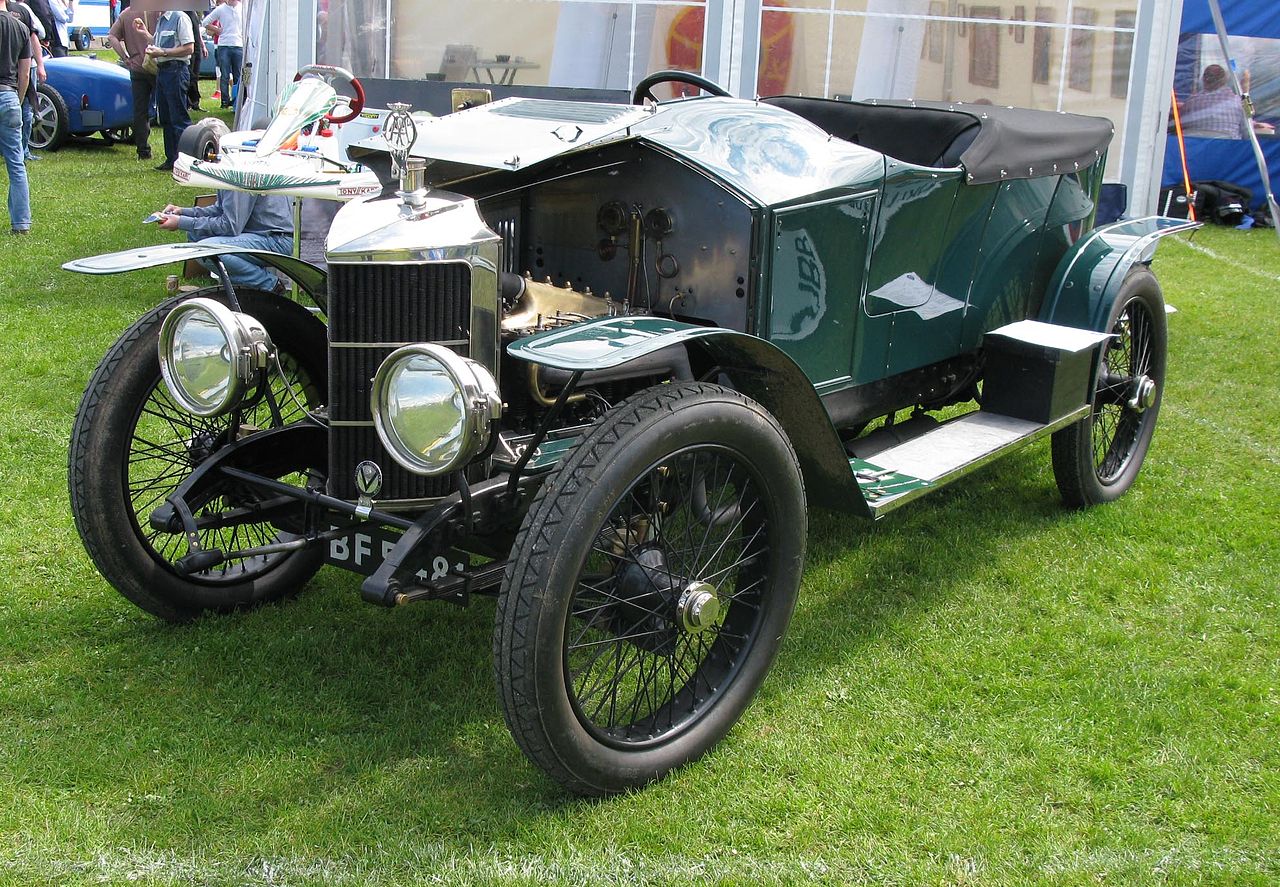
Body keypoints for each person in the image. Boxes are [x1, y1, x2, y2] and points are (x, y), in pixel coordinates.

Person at [154, 189, 293, 294]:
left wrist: (181, 222)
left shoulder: (238, 174)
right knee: (195, 234)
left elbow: (230, 226)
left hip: (276, 240)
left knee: (204, 250)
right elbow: (220, 209)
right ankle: (242, 285)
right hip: (258, 234)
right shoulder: (231, 169)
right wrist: (183, 212)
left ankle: (270, 285)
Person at [132, 7, 192, 171]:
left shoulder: (180, 17)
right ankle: (171, 159)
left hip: (176, 70)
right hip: (163, 71)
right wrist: (145, 33)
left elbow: (189, 48)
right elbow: (159, 42)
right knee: (165, 118)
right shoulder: (161, 20)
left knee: (178, 118)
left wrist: (163, 52)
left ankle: (184, 161)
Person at [0, 0, 32, 234]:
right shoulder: (21, 27)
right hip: (10, 96)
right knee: (16, 162)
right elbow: (25, 73)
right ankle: (21, 223)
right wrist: (18, 101)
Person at [107, 5, 154, 160]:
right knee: (167, 107)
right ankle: (173, 150)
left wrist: (125, 57)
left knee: (140, 111)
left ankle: (143, 149)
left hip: (137, 67)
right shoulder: (160, 11)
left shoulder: (126, 14)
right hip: (158, 64)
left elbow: (112, 37)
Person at [4, 0, 41, 160]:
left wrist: (40, 65)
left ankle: (23, 150)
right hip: (19, 71)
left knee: (26, 110)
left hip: (19, 71)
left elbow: (35, 38)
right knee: (24, 110)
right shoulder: (22, 11)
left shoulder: (22, 10)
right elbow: (37, 36)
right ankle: (21, 151)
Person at [1180, 64, 1247, 139]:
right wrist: (1246, 91)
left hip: (1195, 145)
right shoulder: (1241, 101)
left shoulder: (1191, 102)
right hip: (1228, 145)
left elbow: (1179, 125)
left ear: (1204, 79)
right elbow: (1248, 129)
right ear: (1225, 80)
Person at [202, 0, 241, 109]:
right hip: (224, 45)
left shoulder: (242, 8)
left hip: (238, 44)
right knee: (224, 75)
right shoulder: (221, 9)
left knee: (238, 75)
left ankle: (237, 100)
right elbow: (205, 22)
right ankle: (225, 101)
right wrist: (217, 30)